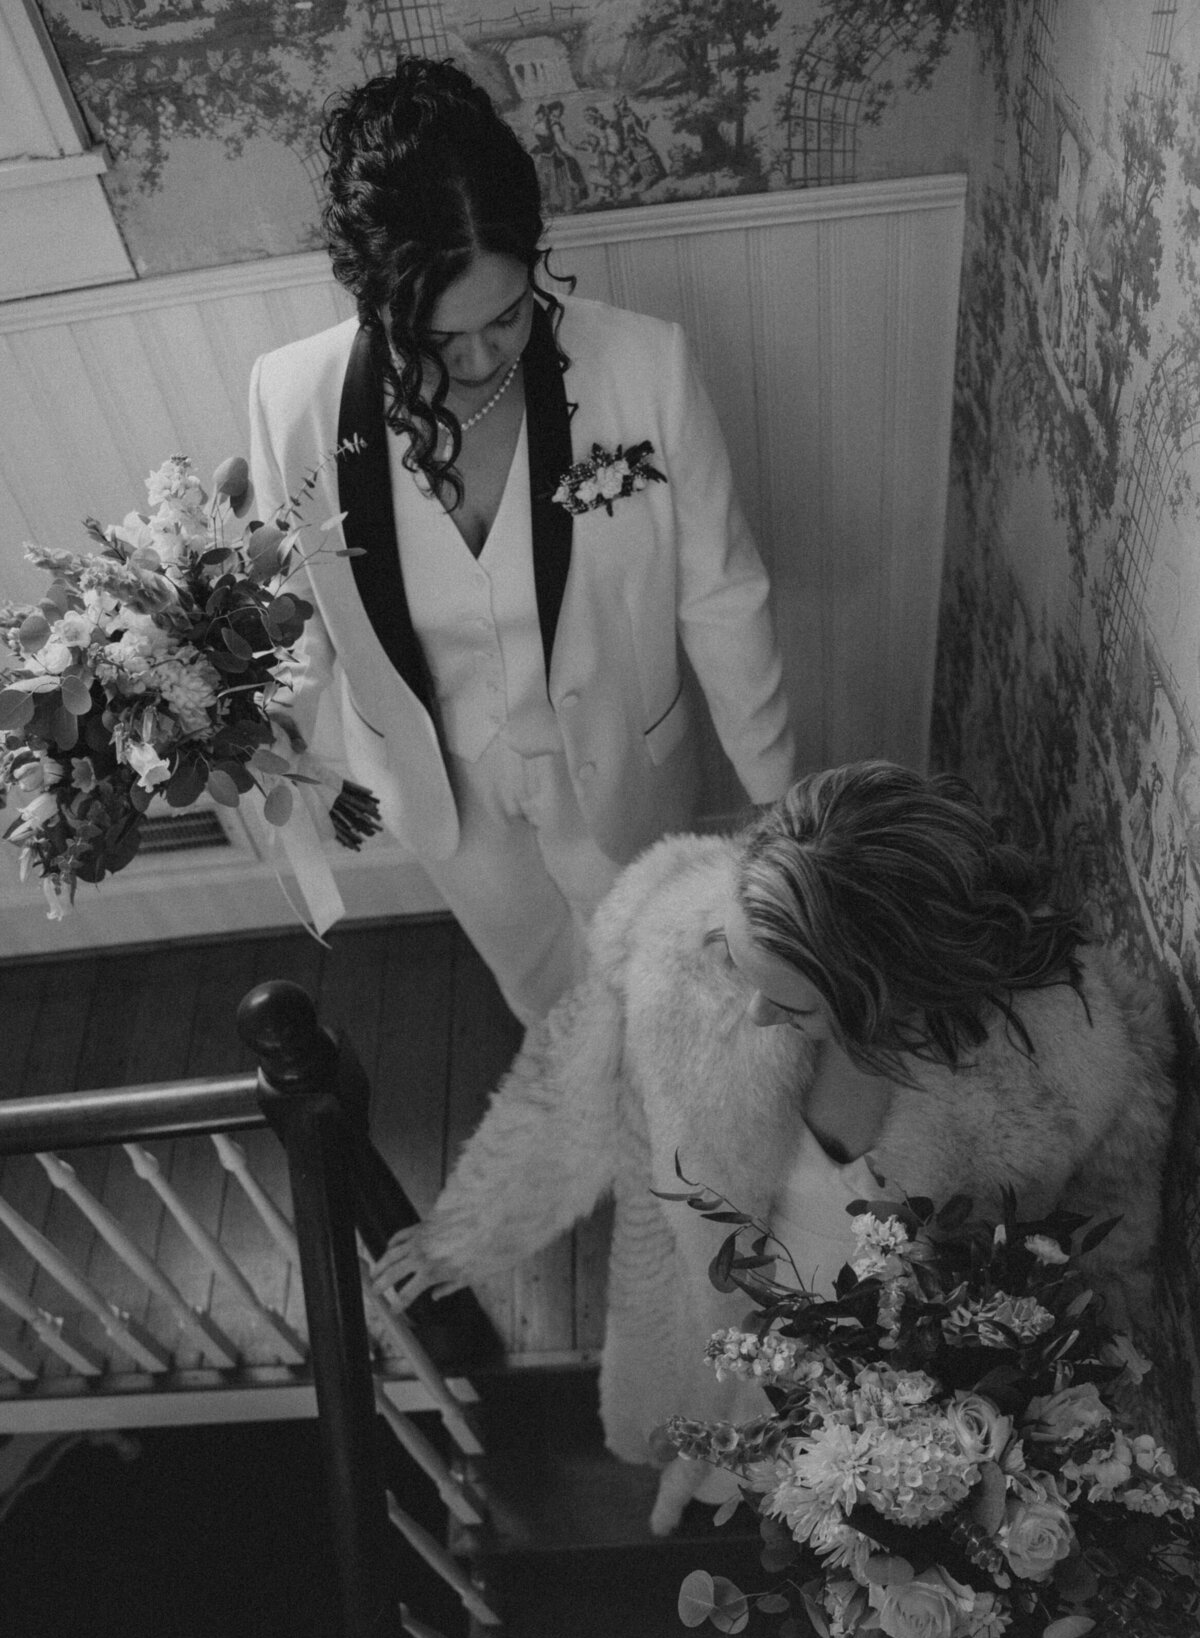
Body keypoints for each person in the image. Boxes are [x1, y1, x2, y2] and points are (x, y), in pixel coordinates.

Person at [372, 761, 1175, 1532]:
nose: (754, 1014)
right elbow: (565, 1080)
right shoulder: (676, 931)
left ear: (884, 986)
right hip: (706, 1325)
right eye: (743, 968)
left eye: (792, 998)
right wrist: (471, 1231)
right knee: (705, 1452)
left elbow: (1100, 1270)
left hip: (891, 1398)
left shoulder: (1075, 1063)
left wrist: (1052, 1470)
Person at [248, 56, 794, 1023]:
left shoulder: (644, 368)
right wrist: (250, 724)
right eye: (433, 336)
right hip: (448, 801)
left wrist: (779, 795)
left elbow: (721, 592)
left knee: (675, 986)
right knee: (545, 997)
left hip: (626, 768)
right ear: (370, 295)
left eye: (503, 318)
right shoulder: (289, 400)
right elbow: (300, 618)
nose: (476, 358)